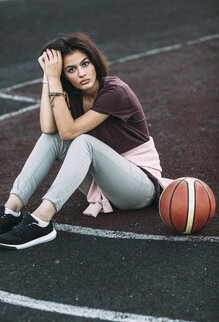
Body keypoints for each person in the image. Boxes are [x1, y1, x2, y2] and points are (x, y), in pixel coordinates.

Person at [0, 32, 172, 250]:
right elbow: (48, 128)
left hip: (139, 186)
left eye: (85, 64)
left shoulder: (115, 92)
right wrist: (48, 77)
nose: (81, 73)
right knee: (52, 137)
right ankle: (11, 209)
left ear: (95, 62)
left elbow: (70, 132)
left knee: (83, 141)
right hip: (104, 182)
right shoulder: (72, 94)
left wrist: (54, 79)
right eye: (71, 70)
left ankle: (42, 219)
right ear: (65, 76)